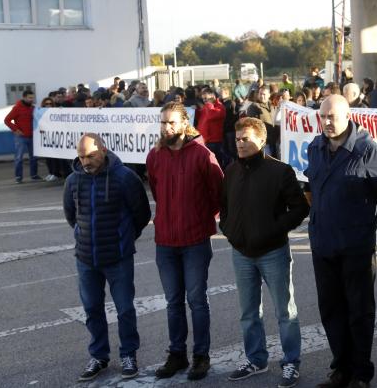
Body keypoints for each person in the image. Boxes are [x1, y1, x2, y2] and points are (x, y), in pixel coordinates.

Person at [304, 95, 377, 388]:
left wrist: (366, 227)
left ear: (347, 116)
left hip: (356, 246)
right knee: (331, 310)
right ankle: (340, 367)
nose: (328, 122)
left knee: (359, 311)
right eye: (323, 117)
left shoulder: (366, 150)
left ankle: (360, 373)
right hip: (323, 244)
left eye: (333, 116)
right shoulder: (315, 148)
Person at [221, 118, 309, 386]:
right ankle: (256, 360)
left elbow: (300, 208)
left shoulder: (280, 171)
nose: (240, 143)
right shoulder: (232, 171)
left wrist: (272, 230)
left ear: (262, 141)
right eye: (237, 139)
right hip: (242, 253)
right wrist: (229, 230)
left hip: (273, 252)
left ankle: (291, 363)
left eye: (246, 138)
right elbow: (224, 207)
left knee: (285, 312)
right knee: (248, 312)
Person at [146, 102, 224, 381]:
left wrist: (200, 218)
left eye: (171, 123)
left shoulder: (203, 154)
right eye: (163, 123)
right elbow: (156, 190)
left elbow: (218, 192)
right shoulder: (155, 156)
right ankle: (177, 354)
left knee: (197, 300)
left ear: (184, 123)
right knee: (173, 302)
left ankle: (201, 356)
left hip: (195, 241)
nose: (166, 128)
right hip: (165, 242)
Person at [64, 134, 151, 382]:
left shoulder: (125, 178)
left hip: (118, 257)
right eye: (81, 156)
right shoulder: (72, 180)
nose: (85, 161)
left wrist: (124, 237)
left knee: (124, 309)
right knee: (92, 309)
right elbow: (71, 215)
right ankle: (99, 356)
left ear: (104, 150)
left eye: (91, 156)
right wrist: (85, 237)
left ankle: (129, 355)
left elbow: (141, 214)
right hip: (85, 258)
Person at [4, 89, 40, 183]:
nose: (31, 99)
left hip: (32, 136)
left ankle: (34, 175)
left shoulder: (33, 108)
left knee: (34, 157)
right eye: (29, 98)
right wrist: (15, 130)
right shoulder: (17, 108)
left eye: (32, 97)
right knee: (19, 157)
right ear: (24, 97)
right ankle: (18, 177)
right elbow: (7, 120)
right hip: (21, 137)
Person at [196, 87, 228, 168]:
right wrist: (195, 111)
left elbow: (210, 116)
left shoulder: (220, 107)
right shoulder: (207, 107)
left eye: (206, 98)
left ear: (213, 96)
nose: (204, 101)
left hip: (214, 142)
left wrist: (208, 104)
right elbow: (200, 117)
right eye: (203, 99)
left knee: (215, 165)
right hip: (205, 141)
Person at [247, 85, 279, 157]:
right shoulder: (254, 107)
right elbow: (251, 126)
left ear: (269, 95)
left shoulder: (272, 105)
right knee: (267, 163)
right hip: (263, 143)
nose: (262, 96)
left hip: (274, 140)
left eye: (264, 94)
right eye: (260, 94)